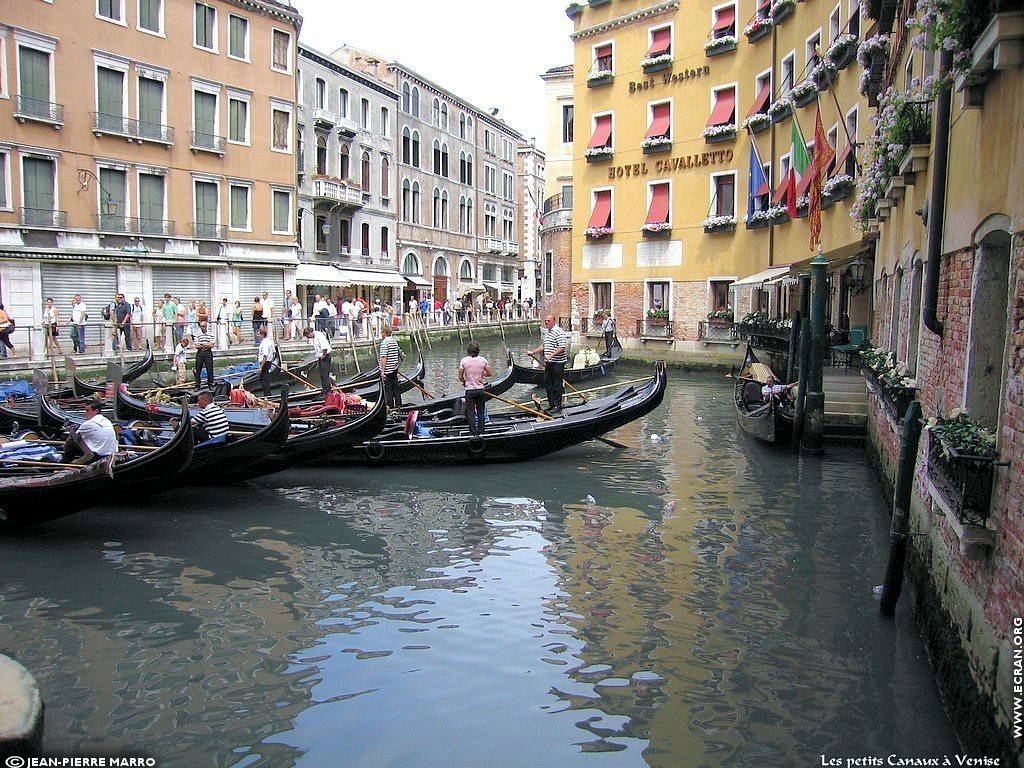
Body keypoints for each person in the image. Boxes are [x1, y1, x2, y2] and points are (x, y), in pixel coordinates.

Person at [528, 315, 569, 414]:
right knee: (548, 384)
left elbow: (562, 347)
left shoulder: (559, 332)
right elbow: (544, 345)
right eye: (545, 321)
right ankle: (551, 405)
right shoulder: (548, 332)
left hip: (558, 363)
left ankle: (558, 405)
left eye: (548, 321)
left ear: (554, 321)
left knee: (557, 384)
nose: (546, 323)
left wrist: (551, 355)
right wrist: (533, 352)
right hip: (549, 363)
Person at [66, 399, 117, 465]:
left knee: (70, 443)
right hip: (109, 453)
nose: (85, 414)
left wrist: (71, 431)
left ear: (96, 411)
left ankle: (65, 463)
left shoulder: (88, 424)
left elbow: (73, 438)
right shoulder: (106, 420)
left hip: (98, 455)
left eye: (87, 411)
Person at [459, 341, 492, 436]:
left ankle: (473, 431)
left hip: (469, 390)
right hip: (481, 390)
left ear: (468, 350)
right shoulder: (483, 360)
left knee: (471, 412)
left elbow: (460, 376)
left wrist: (465, 382)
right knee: (481, 411)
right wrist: (481, 373)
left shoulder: (464, 361)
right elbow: (490, 373)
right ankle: (481, 430)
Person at [303, 326, 333, 398]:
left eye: (308, 336)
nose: (308, 338)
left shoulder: (319, 336)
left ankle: (327, 392)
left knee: (325, 375)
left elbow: (325, 348)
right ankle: (325, 390)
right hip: (321, 357)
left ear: (310, 333)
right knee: (323, 375)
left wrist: (322, 357)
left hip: (325, 357)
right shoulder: (315, 336)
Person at [378, 324, 402, 409]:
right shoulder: (394, 341)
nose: (381, 334)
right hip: (394, 368)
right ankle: (399, 405)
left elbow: (384, 357)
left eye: (382, 332)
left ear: (384, 333)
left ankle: (390, 407)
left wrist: (382, 371)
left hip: (388, 370)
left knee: (388, 389)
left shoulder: (385, 342)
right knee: (396, 387)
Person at [193, 319, 216, 390]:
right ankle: (197, 385)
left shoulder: (211, 334)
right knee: (198, 369)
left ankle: (210, 384)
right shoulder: (197, 334)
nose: (202, 328)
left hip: (208, 353)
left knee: (209, 369)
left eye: (203, 326)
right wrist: (206, 344)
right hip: (200, 353)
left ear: (206, 326)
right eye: (201, 326)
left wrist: (202, 344)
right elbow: (196, 346)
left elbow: (211, 345)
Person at [256, 326, 276, 395]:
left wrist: (261, 367)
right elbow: (274, 352)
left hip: (264, 362)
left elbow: (265, 355)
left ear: (262, 335)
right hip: (269, 362)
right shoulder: (270, 341)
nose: (257, 336)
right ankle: (267, 394)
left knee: (264, 380)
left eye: (258, 334)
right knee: (266, 380)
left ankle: (267, 395)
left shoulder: (264, 343)